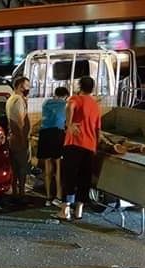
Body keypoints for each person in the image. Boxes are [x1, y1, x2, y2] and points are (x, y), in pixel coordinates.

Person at [56, 76, 101, 220]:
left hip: (74, 144)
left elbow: (69, 107)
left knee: (69, 176)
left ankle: (65, 210)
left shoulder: (75, 98)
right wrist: (95, 145)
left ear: (80, 86)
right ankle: (79, 210)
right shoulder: (95, 105)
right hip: (90, 146)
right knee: (84, 178)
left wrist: (69, 124)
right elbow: (98, 129)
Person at [37, 86, 69, 207]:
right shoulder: (65, 104)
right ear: (65, 95)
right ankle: (59, 197)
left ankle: (48, 197)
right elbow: (65, 121)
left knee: (47, 167)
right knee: (58, 167)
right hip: (57, 134)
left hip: (44, 134)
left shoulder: (46, 103)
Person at [5, 76, 31, 202]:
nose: (28, 88)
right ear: (20, 86)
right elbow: (20, 122)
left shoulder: (10, 99)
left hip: (12, 138)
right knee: (22, 168)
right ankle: (21, 194)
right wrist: (23, 140)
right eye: (27, 85)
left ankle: (15, 191)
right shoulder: (19, 100)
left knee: (14, 168)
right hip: (18, 139)